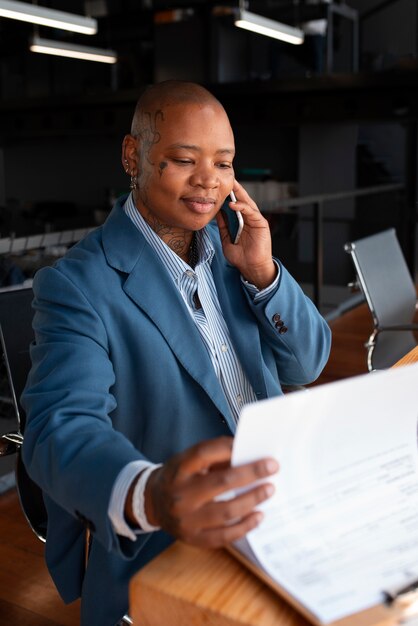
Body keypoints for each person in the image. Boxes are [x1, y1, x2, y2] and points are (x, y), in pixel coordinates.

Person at [21, 80, 331, 626]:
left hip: (281, 508)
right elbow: (57, 429)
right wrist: (152, 492)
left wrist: (262, 273)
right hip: (174, 542)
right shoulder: (77, 284)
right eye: (184, 159)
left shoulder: (233, 252)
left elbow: (308, 362)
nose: (209, 181)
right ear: (132, 156)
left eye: (225, 163)